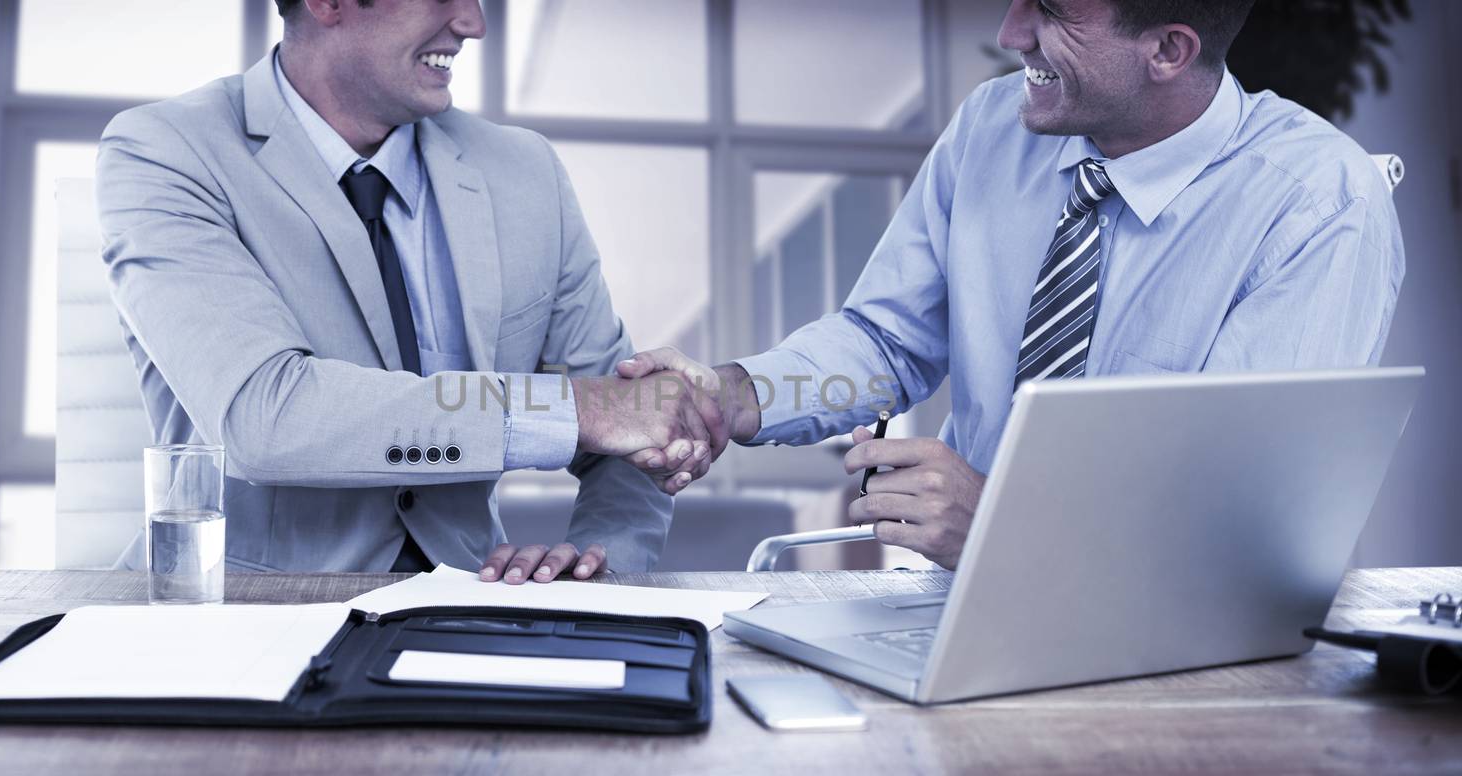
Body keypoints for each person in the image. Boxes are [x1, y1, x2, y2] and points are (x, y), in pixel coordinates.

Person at [620, 0, 1404, 569]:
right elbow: (888, 340)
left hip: (1172, 650)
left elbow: (1238, 520)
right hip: (952, 613)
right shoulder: (992, 128)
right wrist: (733, 394)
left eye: (1053, 11)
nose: (1008, 32)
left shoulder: (1317, 202)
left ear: (1167, 48)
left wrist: (1001, 528)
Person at [95, 0, 714, 582]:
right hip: (242, 617)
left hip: (466, 607)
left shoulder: (526, 173)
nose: (472, 21)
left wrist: (598, 557)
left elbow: (628, 419)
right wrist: (574, 410)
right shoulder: (167, 150)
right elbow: (265, 419)